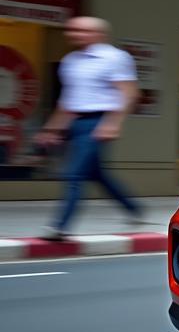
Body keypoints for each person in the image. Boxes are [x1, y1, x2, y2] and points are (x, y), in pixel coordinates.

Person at [35, 17, 142, 239]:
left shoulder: (114, 58)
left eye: (82, 30)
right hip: (76, 122)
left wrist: (113, 123)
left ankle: (60, 227)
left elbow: (129, 92)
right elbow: (67, 102)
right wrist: (51, 129)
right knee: (96, 174)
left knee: (74, 173)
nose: (75, 34)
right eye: (73, 30)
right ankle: (132, 208)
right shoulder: (70, 61)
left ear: (99, 34)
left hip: (99, 121)